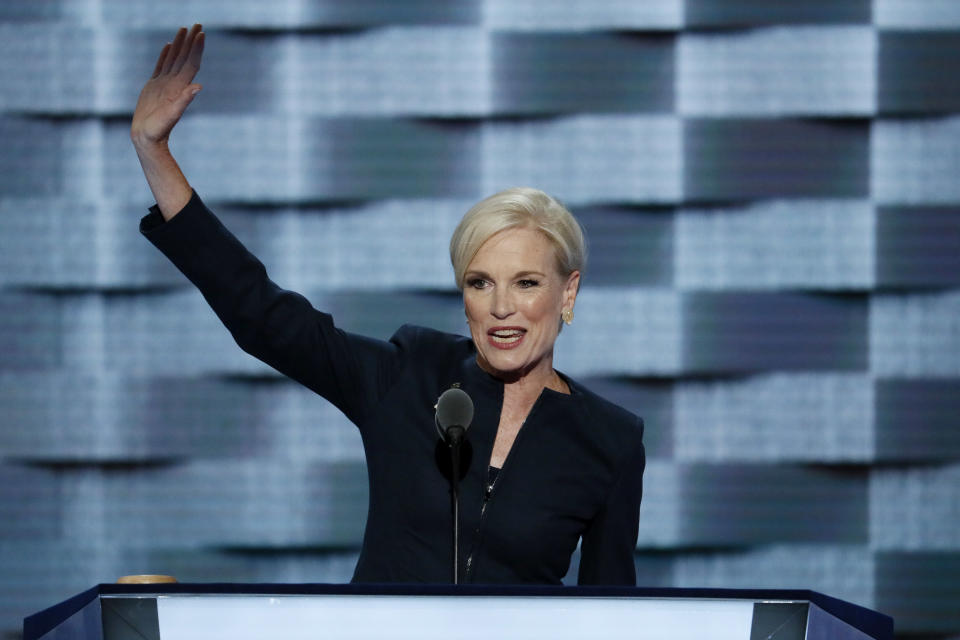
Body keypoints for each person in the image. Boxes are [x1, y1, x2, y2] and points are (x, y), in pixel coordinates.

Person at [131, 24, 645, 585]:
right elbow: (264, 316)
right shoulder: (410, 375)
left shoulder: (611, 440)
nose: (501, 307)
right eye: (479, 283)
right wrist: (153, 151)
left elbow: (611, 608)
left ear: (567, 293)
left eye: (525, 283)